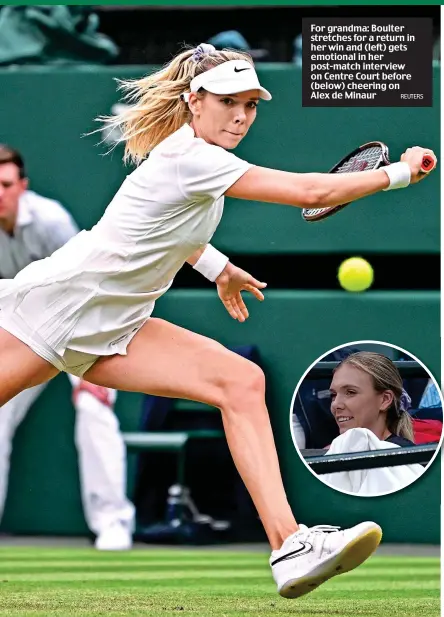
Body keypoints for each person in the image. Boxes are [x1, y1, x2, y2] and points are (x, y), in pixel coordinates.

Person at [0, 43, 436, 598]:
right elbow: (312, 191)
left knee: (240, 381)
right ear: (194, 100)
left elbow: (171, 232)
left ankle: (290, 545)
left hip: (118, 324)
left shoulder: (194, 158)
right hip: (55, 309)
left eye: (251, 104)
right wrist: (398, 173)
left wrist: (219, 267)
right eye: (229, 101)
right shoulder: (192, 158)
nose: (241, 115)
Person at [0, 144, 135, 550]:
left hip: (79, 326)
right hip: (20, 336)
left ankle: (113, 521)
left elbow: (90, 285)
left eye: (5, 184)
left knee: (95, 404)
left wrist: (85, 370)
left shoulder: (51, 222)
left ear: (22, 186)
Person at [329, 352, 416, 446]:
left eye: (350, 392)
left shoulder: (402, 455)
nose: (335, 404)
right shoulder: (331, 451)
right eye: (333, 395)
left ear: (385, 400)